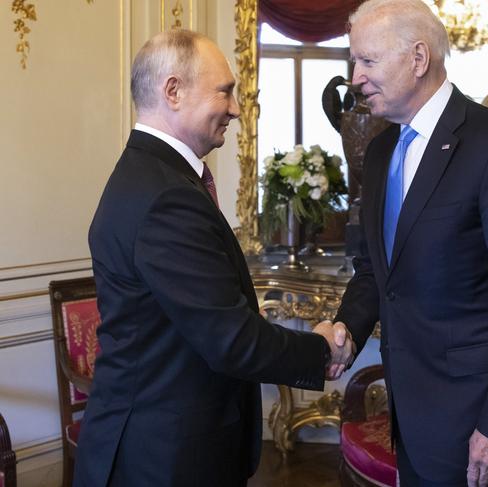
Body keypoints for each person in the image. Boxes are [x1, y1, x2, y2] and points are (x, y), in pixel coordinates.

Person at [73, 30, 353, 487]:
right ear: (173, 91)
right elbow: (232, 342)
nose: (237, 109)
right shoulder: (166, 195)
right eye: (225, 91)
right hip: (164, 457)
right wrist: (321, 349)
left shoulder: (154, 177)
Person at [332, 0, 488, 485]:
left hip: (474, 416)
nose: (355, 77)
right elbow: (377, 270)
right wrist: (346, 332)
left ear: (418, 59)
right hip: (408, 412)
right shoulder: (379, 152)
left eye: (368, 61)